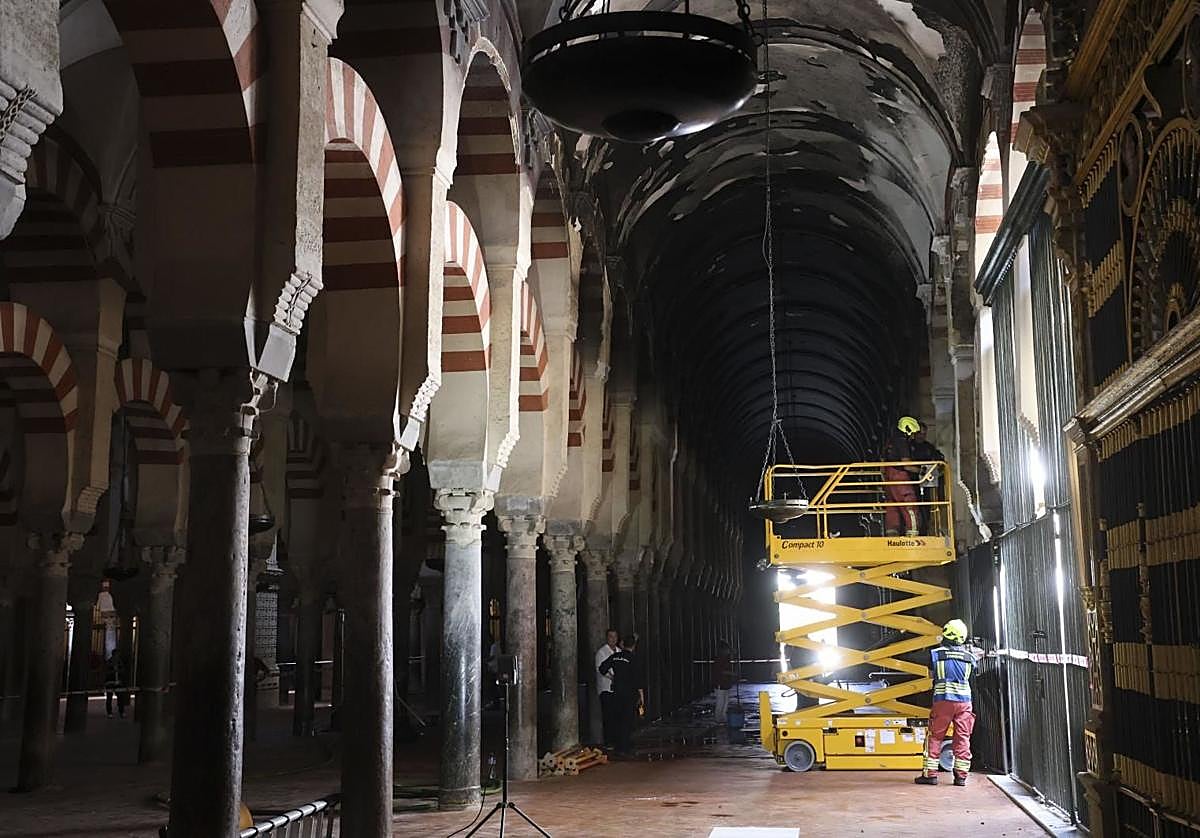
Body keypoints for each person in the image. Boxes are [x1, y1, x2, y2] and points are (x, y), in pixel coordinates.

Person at [915, 619, 979, 787]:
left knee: (935, 737)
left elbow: (931, 676)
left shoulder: (935, 655)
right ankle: (961, 777)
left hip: (943, 700)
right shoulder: (970, 657)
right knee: (963, 738)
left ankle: (931, 775)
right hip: (964, 702)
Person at [598, 633, 645, 757]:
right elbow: (638, 679)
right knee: (627, 720)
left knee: (617, 718)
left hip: (616, 692)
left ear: (623, 644)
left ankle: (618, 745)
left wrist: (612, 677)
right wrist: (641, 697)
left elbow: (602, 668)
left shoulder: (615, 656)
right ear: (634, 646)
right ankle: (624, 747)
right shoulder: (633, 659)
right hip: (629, 694)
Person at [883, 417, 921, 536]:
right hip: (899, 478)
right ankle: (913, 536)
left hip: (889, 478)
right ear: (908, 430)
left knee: (892, 506)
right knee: (909, 504)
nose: (913, 437)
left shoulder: (890, 441)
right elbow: (907, 465)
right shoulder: (902, 442)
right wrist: (922, 471)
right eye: (913, 433)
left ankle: (892, 535)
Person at [594, 628, 621, 749]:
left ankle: (616, 739)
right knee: (608, 715)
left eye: (615, 637)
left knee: (616, 715)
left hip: (617, 689)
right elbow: (601, 669)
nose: (613, 639)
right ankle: (608, 741)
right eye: (611, 637)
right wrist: (614, 677)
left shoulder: (619, 651)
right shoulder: (602, 652)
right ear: (607, 638)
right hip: (606, 688)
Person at [712, 641, 735, 724]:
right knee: (721, 702)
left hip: (726, 684)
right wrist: (731, 673)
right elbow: (720, 671)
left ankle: (723, 717)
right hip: (720, 684)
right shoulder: (719, 659)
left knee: (725, 702)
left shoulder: (726, 659)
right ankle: (718, 718)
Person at [104, 649, 129, 719]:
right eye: (117, 655)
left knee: (121, 697)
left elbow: (123, 671)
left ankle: (122, 711)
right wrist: (113, 671)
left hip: (118, 682)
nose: (117, 656)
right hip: (110, 683)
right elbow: (106, 673)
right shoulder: (109, 662)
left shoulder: (120, 663)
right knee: (109, 697)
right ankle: (109, 712)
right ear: (113, 655)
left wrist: (120, 671)